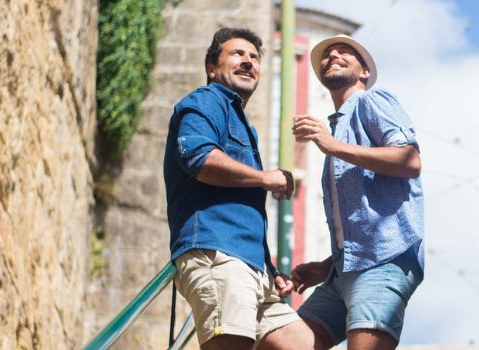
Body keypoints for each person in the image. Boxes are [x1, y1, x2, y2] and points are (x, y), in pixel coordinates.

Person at [163, 27, 316, 350]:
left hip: (252, 268)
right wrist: (265, 178)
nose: (248, 62)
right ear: (211, 68)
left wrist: (269, 268)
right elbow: (198, 158)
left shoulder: (242, 124)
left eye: (255, 57)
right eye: (237, 54)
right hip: (217, 254)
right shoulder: (205, 101)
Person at [290, 34, 425, 350]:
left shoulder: (373, 102)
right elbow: (359, 220)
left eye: (345, 51)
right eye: (327, 54)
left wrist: (331, 145)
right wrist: (326, 266)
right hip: (342, 272)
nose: (333, 55)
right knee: (281, 344)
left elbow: (410, 160)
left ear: (364, 72)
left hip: (381, 263)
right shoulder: (338, 130)